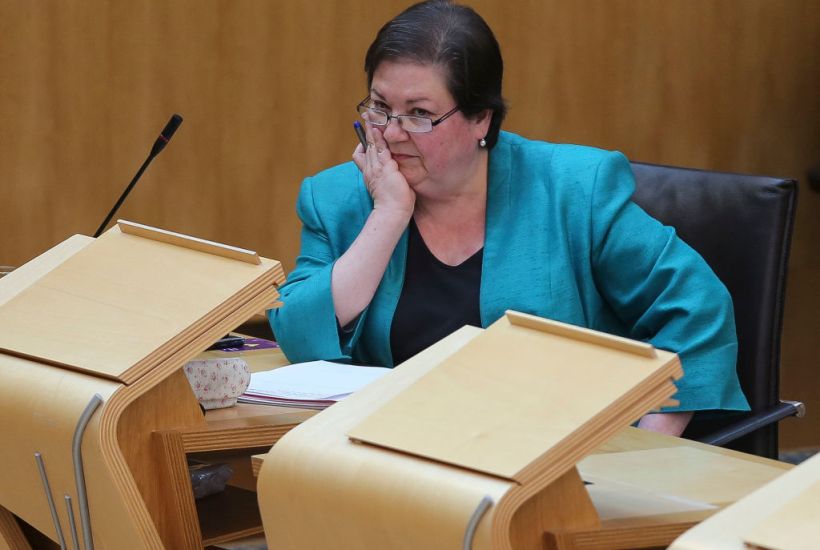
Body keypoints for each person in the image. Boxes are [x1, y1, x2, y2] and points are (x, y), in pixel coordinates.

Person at [269, 0, 749, 436]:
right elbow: (298, 335)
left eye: (418, 113)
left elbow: (697, 309)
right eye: (379, 107)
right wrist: (389, 214)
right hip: (391, 452)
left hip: (552, 454)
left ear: (481, 118)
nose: (391, 133)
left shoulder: (574, 190)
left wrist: (647, 446)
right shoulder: (337, 197)